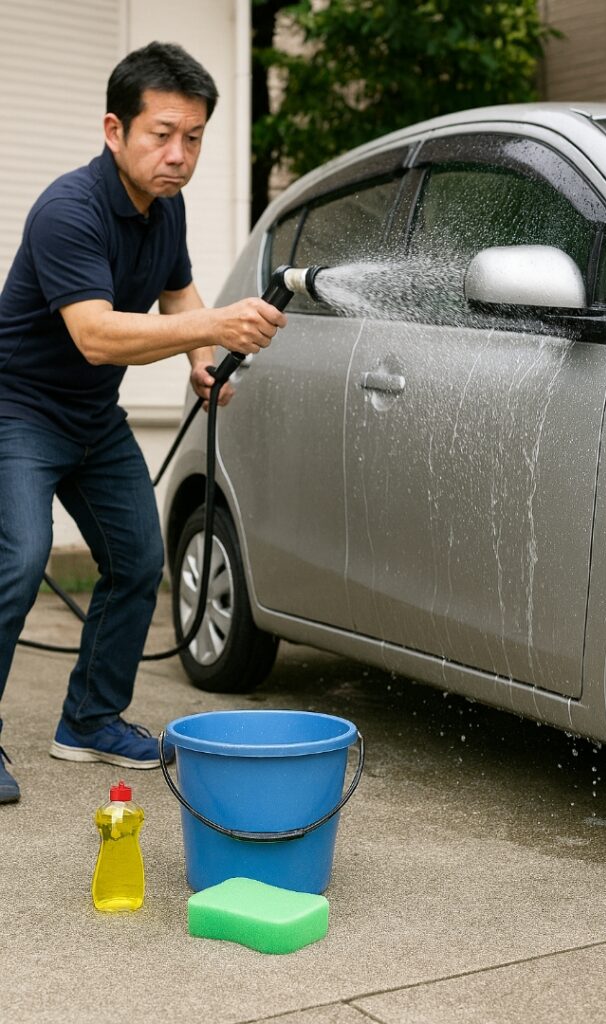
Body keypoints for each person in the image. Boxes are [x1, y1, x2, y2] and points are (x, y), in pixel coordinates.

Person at [0, 41, 287, 802]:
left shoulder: (166, 209)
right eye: (161, 134)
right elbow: (94, 335)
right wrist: (218, 326)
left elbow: (179, 298)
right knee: (19, 562)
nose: (179, 154)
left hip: (93, 419)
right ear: (113, 130)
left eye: (192, 137)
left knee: (138, 561)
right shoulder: (69, 210)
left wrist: (199, 355)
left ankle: (90, 721)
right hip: (17, 411)